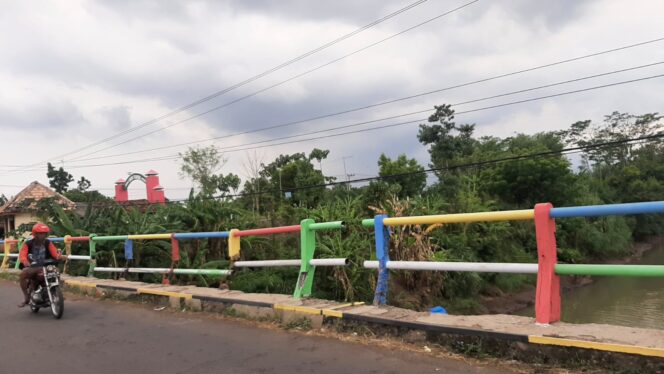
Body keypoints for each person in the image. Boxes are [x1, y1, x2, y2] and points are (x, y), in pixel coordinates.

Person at [17, 223, 66, 307]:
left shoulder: (48, 243)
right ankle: (26, 297)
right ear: (35, 234)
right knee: (23, 274)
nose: (42, 236)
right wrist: (25, 262)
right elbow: (22, 255)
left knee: (56, 272)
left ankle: (56, 292)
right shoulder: (28, 243)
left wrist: (60, 257)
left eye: (44, 233)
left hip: (46, 266)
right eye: (40, 233)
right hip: (33, 266)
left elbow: (54, 253)